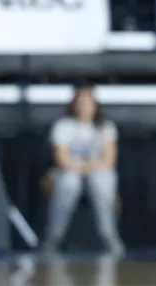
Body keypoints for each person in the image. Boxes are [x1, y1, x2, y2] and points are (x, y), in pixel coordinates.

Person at [45, 87, 124, 255]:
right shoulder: (63, 126)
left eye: (88, 103)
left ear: (96, 105)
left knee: (103, 181)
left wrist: (87, 167)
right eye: (80, 103)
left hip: (97, 172)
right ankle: (54, 237)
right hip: (69, 172)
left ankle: (109, 235)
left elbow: (109, 160)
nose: (84, 107)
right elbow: (62, 160)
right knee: (69, 183)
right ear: (73, 105)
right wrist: (86, 166)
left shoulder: (106, 127)